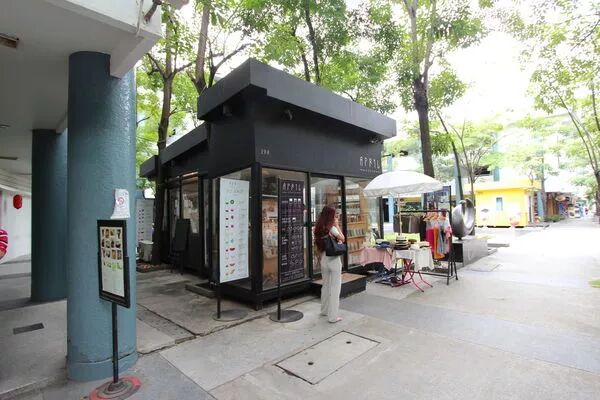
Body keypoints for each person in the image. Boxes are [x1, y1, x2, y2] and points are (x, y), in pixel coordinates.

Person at [314, 205, 345, 323]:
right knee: (335, 288)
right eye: (335, 214)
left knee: (326, 285)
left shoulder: (318, 227)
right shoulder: (331, 228)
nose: (336, 216)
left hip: (324, 259)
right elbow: (342, 238)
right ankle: (333, 317)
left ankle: (324, 310)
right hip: (334, 259)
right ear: (330, 215)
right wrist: (337, 225)